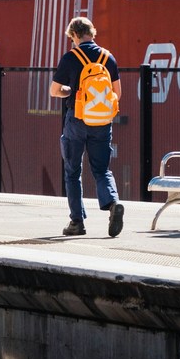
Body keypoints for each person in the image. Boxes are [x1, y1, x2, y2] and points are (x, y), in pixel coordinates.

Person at [50, 16, 124, 237]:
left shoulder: (70, 58)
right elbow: (117, 94)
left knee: (73, 172)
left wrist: (70, 92)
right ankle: (112, 204)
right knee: (101, 169)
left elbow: (54, 91)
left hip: (76, 120)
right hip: (102, 122)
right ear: (92, 33)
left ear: (73, 35)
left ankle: (77, 222)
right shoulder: (108, 57)